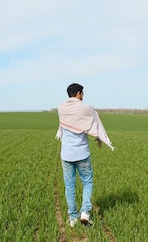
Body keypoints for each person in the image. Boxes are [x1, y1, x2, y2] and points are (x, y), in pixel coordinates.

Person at [55, 83, 114, 227]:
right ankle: (85, 213)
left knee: (69, 186)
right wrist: (99, 136)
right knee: (87, 182)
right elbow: (95, 119)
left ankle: (73, 218)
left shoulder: (61, 108)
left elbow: (63, 126)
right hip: (82, 154)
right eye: (82, 93)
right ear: (78, 93)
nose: (83, 96)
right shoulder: (86, 108)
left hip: (67, 155)